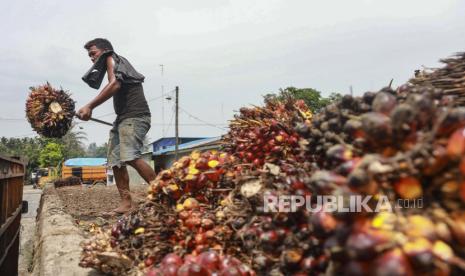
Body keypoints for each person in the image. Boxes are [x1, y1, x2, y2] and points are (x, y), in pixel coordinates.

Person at [77, 38, 156, 215]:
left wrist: (89, 106)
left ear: (104, 50)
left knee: (130, 155)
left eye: (93, 53)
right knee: (115, 160)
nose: (91, 58)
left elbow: (115, 85)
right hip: (122, 118)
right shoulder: (112, 63)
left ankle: (164, 193)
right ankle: (126, 203)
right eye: (89, 55)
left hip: (136, 117)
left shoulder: (112, 58)